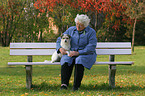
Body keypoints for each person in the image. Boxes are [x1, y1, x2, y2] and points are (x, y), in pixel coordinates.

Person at [56, 14, 97, 91]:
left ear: (85, 25)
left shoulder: (91, 32)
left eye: (80, 25)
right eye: (77, 24)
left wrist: (78, 53)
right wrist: (60, 48)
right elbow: (59, 39)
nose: (78, 27)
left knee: (79, 60)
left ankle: (76, 86)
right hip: (71, 52)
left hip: (86, 54)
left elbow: (91, 46)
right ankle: (64, 85)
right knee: (66, 59)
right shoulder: (71, 30)